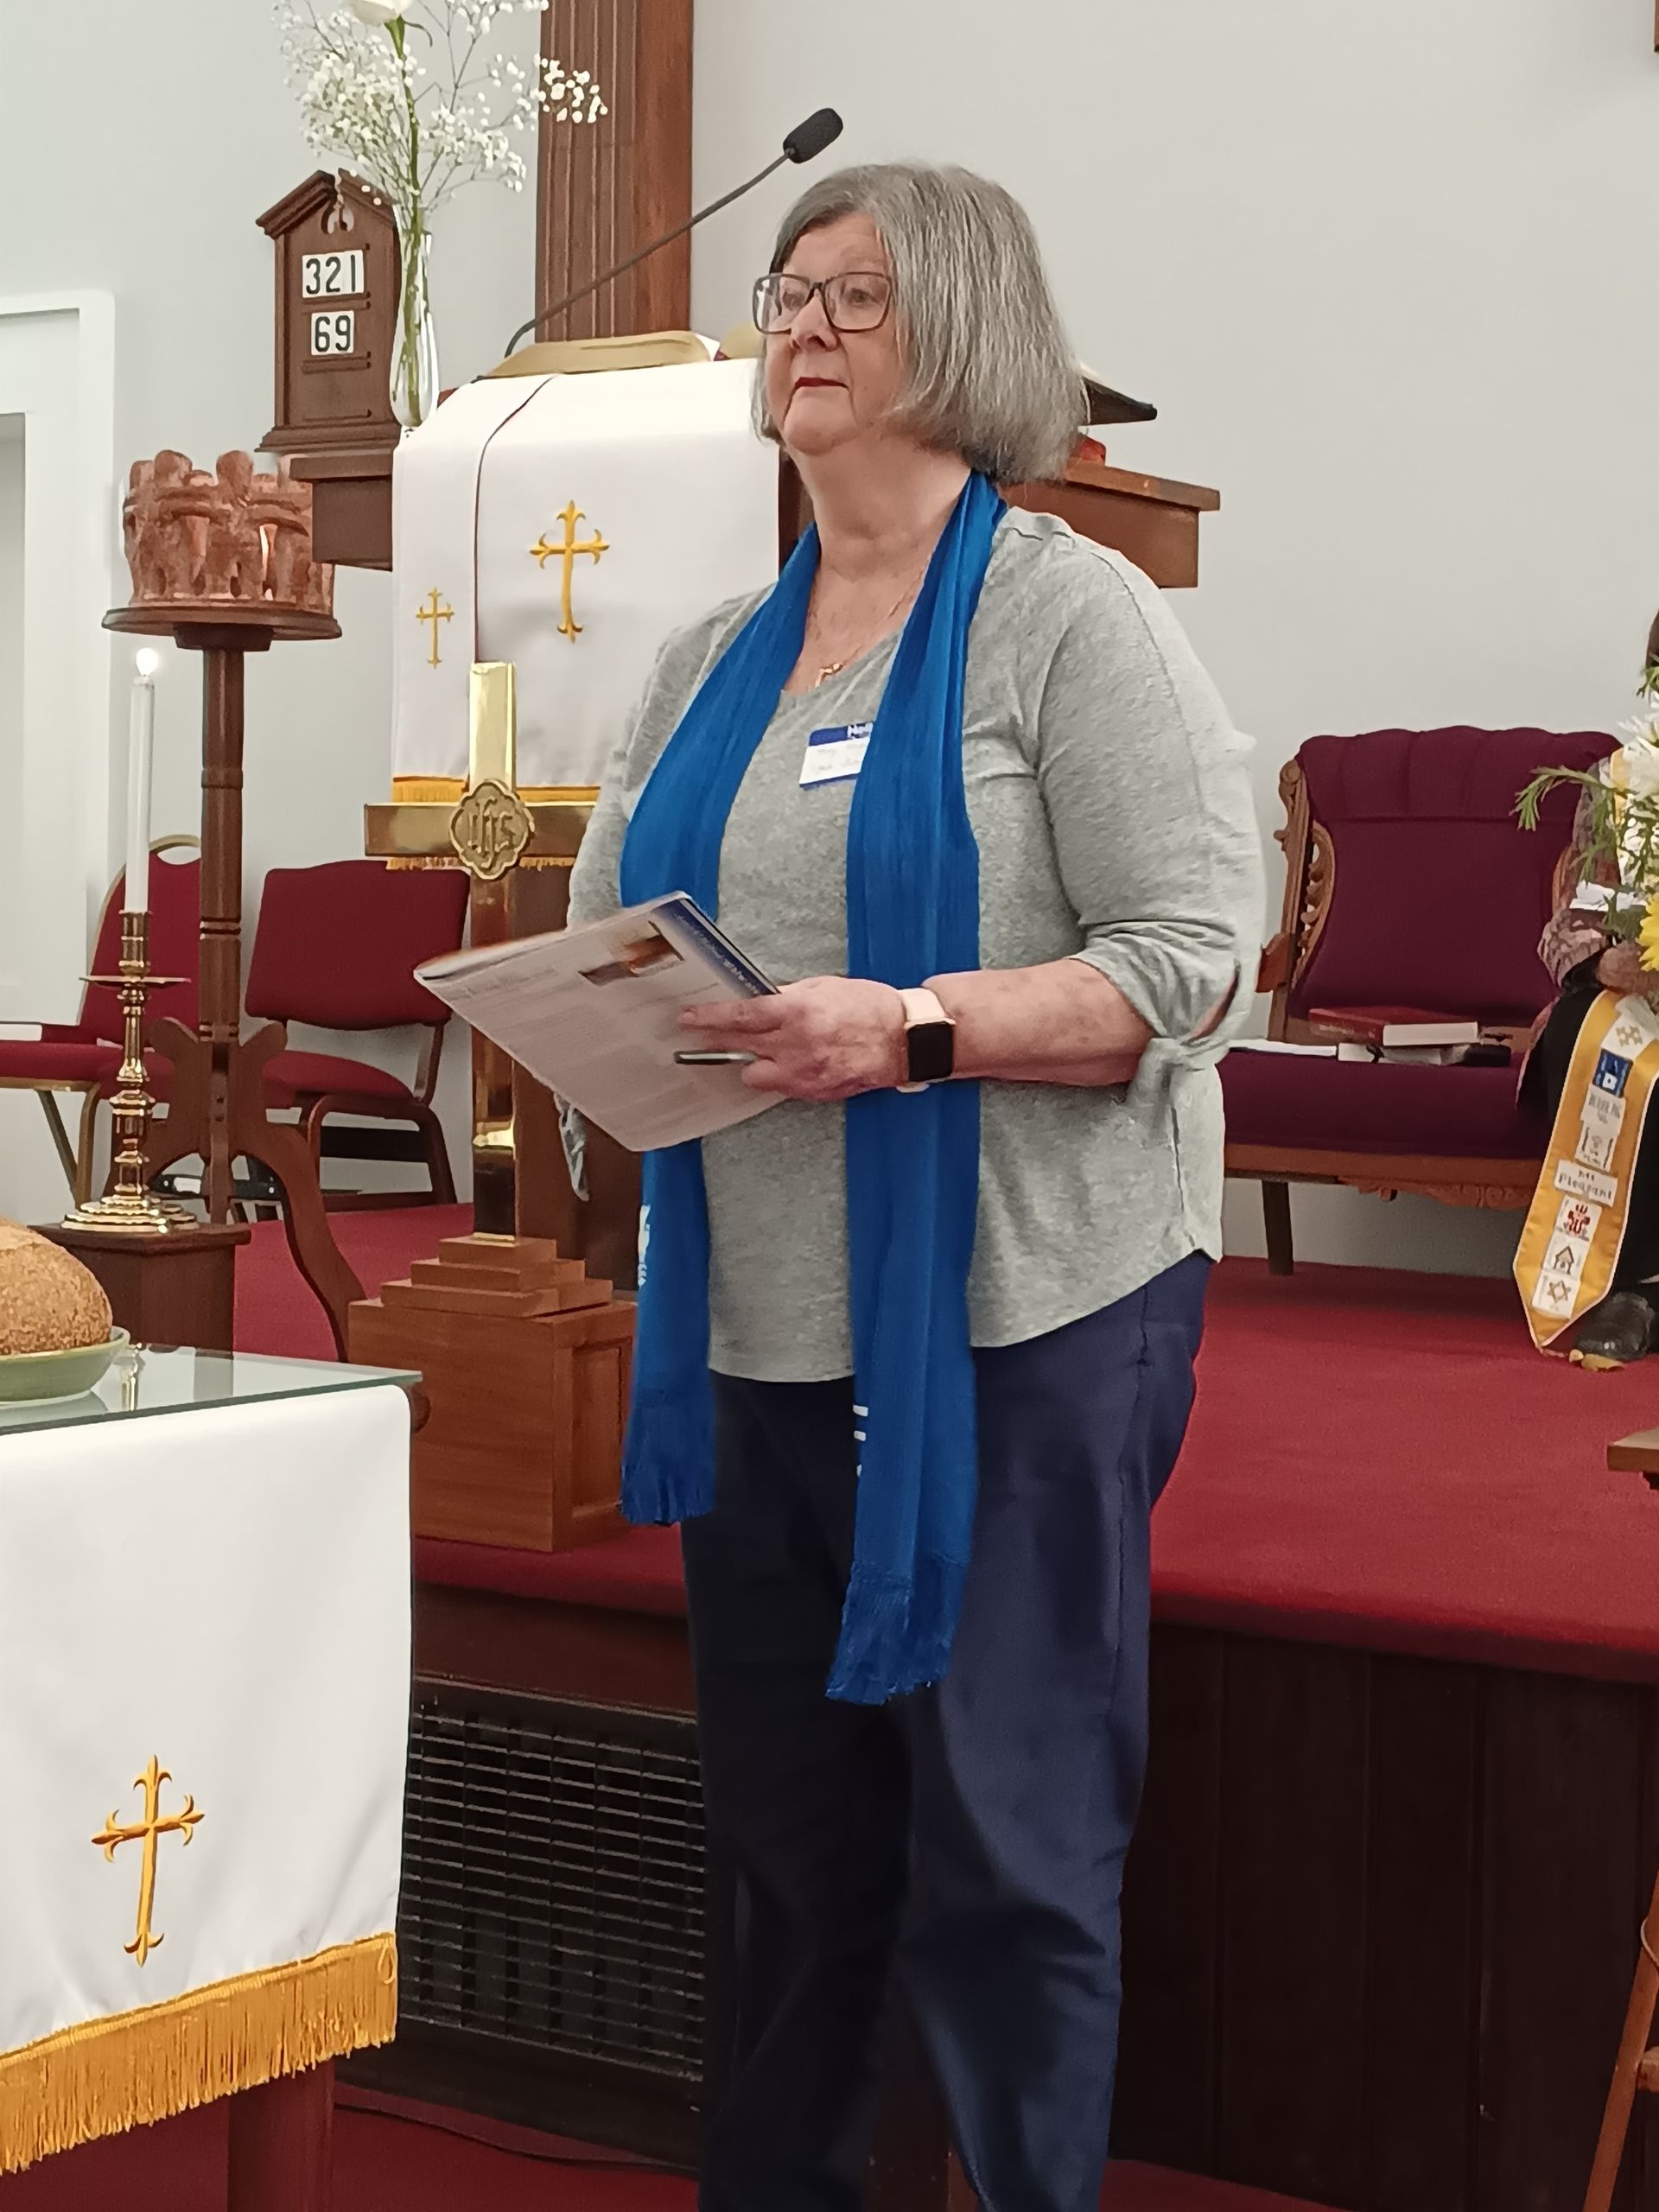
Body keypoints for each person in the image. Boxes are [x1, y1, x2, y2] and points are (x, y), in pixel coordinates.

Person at [566, 161, 1263, 2212]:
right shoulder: (711, 651)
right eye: (787, 289)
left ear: (966, 330)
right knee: (789, 1864)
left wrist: (921, 1027)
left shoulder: (1067, 615)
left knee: (1007, 1861)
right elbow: (615, 935)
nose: (802, 321)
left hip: (1018, 1323)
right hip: (759, 1329)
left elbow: (1193, 960)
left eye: (855, 293)